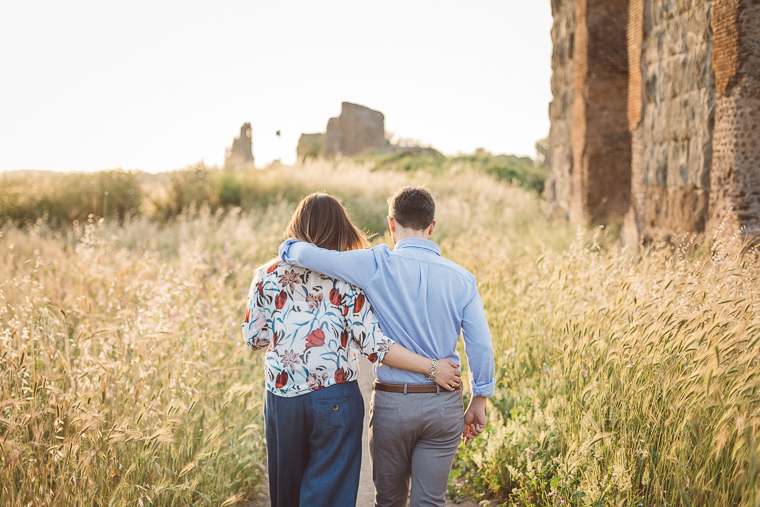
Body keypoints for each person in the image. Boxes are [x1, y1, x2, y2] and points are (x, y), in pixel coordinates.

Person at [279, 186, 495, 507]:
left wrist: (288, 245)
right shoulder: (462, 279)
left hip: (393, 405)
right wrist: (479, 399)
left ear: (391, 224)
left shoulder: (375, 264)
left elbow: (310, 255)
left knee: (389, 501)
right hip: (444, 405)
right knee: (430, 502)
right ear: (432, 226)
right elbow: (481, 345)